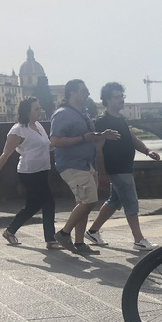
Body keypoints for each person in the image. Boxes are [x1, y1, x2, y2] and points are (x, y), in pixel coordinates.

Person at [84, 82, 160, 251]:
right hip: (116, 168)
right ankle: (139, 239)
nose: (121, 100)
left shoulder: (121, 119)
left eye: (122, 96)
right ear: (107, 100)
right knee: (131, 202)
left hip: (124, 167)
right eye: (117, 97)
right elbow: (98, 149)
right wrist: (102, 173)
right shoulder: (102, 122)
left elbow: (133, 139)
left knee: (115, 201)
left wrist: (147, 151)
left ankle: (93, 231)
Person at [49, 79, 120, 256]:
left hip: (86, 164)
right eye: (84, 90)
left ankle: (79, 243)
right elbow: (55, 141)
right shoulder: (62, 114)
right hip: (72, 164)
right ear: (72, 93)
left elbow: (89, 136)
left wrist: (102, 135)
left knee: (84, 203)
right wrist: (83, 138)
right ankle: (64, 233)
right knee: (89, 200)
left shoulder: (82, 113)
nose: (88, 93)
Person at [0, 97, 59, 250]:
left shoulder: (38, 126)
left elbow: (46, 146)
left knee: (33, 205)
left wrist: (62, 145)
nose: (40, 111)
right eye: (36, 109)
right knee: (48, 202)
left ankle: (10, 231)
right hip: (29, 172)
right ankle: (50, 239)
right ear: (27, 111)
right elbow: (6, 154)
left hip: (43, 170)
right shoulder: (18, 130)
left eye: (39, 108)